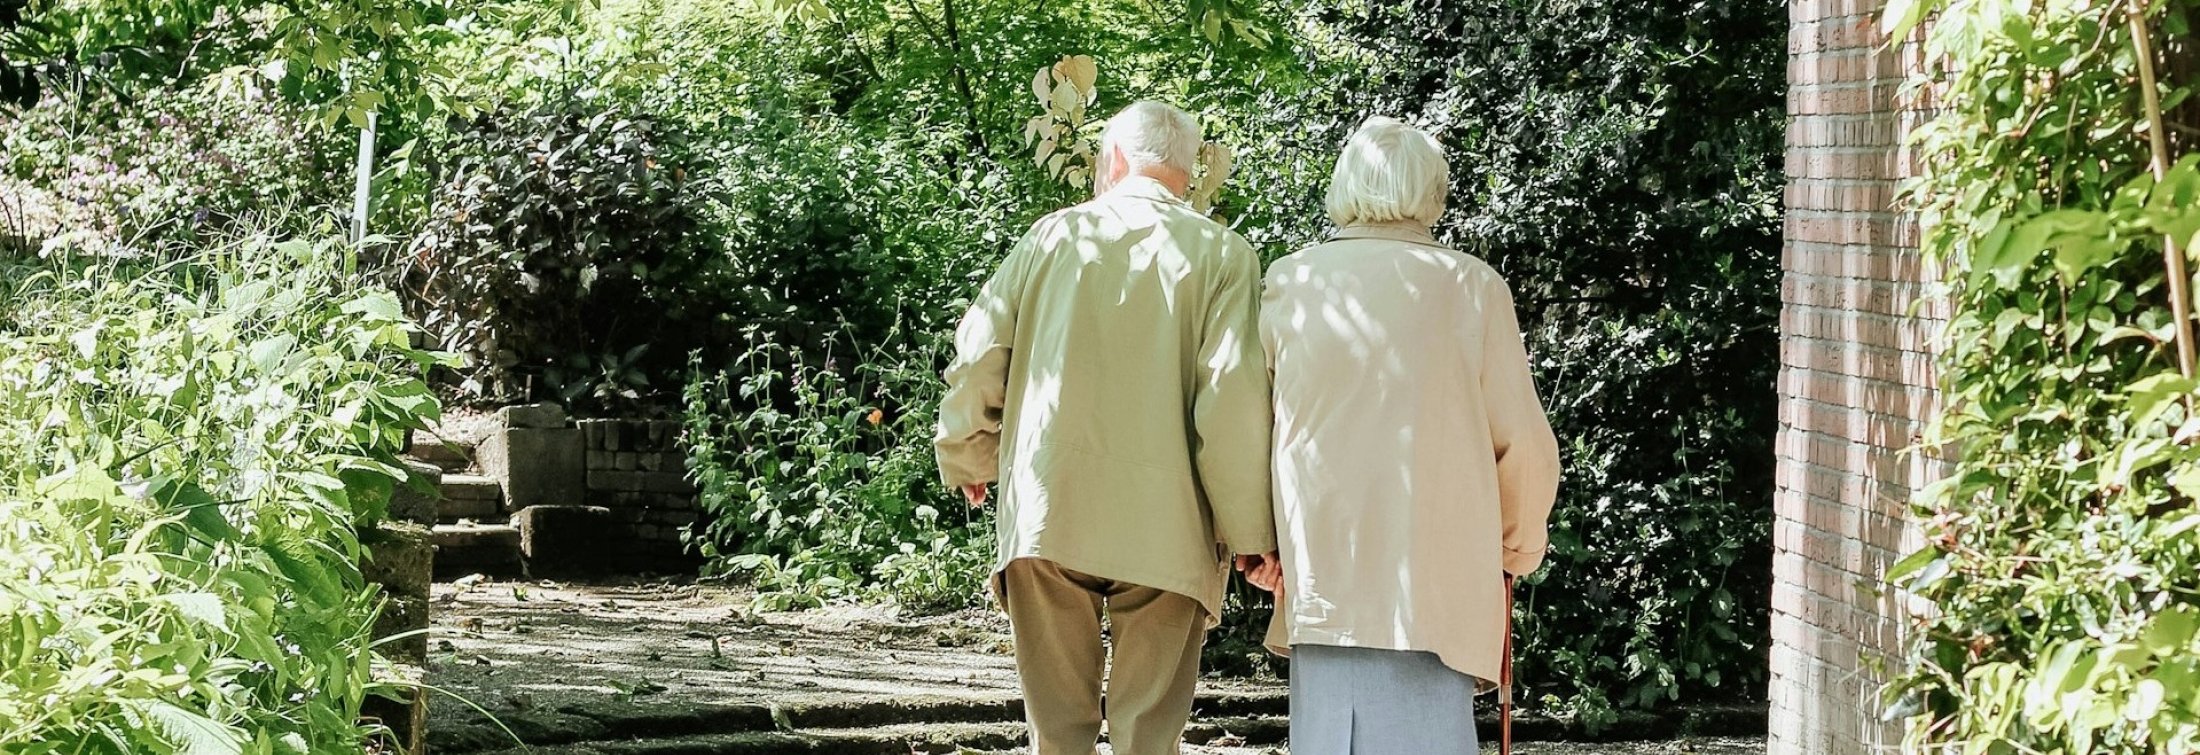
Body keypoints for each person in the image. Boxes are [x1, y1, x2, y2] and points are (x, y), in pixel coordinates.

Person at [933, 100, 1281, 755]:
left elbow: (980, 354)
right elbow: (1230, 402)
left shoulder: (1050, 237)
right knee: (1149, 736)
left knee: (1057, 733)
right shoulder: (1224, 254)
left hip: (1050, 506)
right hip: (1167, 524)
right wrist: (1250, 534)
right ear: (1189, 172)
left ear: (1116, 158)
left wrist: (968, 453)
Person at [1252, 116, 1562, 755]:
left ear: (1343, 186)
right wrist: (1515, 549)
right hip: (1438, 582)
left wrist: (1258, 544)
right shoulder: (1472, 287)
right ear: (1432, 192)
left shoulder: (1292, 281)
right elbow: (1525, 447)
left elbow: (1253, 427)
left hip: (1321, 572)